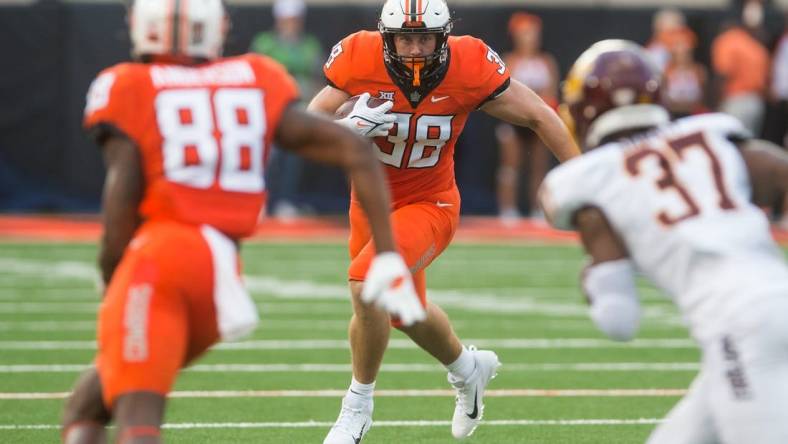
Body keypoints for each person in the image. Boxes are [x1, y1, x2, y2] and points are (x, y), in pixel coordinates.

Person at [60, 1, 425, 443]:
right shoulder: (255, 77)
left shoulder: (128, 84)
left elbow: (120, 203)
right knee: (90, 400)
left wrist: (110, 276)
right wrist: (386, 254)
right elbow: (356, 149)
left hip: (161, 259)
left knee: (138, 415)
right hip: (219, 274)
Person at [308, 0, 580, 442]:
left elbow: (538, 114)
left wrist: (583, 178)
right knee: (401, 312)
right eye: (405, 39)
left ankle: (356, 407)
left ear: (443, 37)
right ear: (387, 39)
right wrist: (344, 128)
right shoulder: (359, 57)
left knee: (366, 282)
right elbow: (307, 124)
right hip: (369, 203)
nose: (415, 50)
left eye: (424, 39)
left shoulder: (469, 64)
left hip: (431, 203)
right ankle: (468, 369)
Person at [539, 39, 788, 444]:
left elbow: (619, 321)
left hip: (735, 328)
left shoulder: (588, 180)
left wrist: (594, 281)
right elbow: (778, 170)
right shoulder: (711, 134)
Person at [249, 0, 324, 219]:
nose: (290, 23)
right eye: (287, 19)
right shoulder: (264, 43)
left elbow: (321, 78)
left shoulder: (309, 45)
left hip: (298, 110)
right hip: (267, 111)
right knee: (266, 156)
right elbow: (255, 76)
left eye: (294, 19)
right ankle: (260, 200)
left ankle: (285, 201)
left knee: (293, 157)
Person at [494, 12, 560, 223]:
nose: (530, 38)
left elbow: (551, 93)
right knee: (509, 167)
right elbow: (503, 94)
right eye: (525, 33)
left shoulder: (546, 61)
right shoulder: (510, 60)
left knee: (539, 167)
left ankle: (537, 209)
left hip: (536, 120)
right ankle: (507, 209)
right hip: (513, 120)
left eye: (533, 33)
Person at [712, 21, 769, 136]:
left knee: (732, 143)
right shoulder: (754, 43)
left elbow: (724, 73)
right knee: (749, 144)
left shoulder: (727, 40)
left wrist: (715, 101)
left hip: (736, 100)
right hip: (756, 101)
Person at [660, 27, 709, 119]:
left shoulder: (699, 71)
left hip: (693, 116)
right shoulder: (666, 72)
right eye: (677, 46)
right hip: (673, 116)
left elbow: (703, 98)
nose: (682, 51)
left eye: (685, 48)